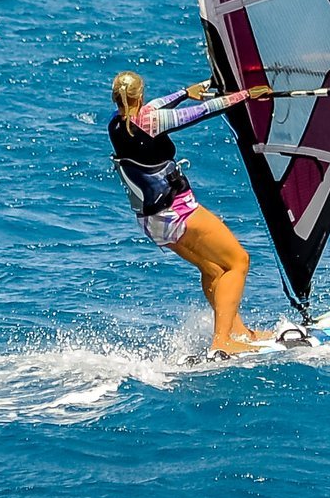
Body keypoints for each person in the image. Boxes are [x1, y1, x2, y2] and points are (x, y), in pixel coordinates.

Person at [109, 71, 273, 356]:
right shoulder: (152, 122)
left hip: (152, 221)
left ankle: (238, 332)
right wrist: (247, 95)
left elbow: (155, 107)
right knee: (238, 261)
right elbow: (204, 111)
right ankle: (222, 341)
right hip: (178, 211)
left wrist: (187, 91)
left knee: (212, 269)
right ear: (140, 94)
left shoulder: (115, 124)